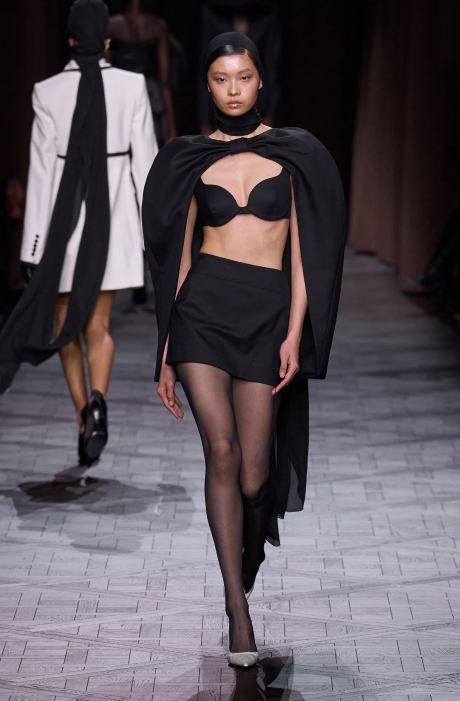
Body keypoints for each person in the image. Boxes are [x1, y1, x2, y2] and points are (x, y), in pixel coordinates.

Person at [143, 33, 346, 667]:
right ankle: (238, 608)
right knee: (223, 452)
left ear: (261, 80)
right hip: (201, 312)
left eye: (244, 77)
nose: (233, 89)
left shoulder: (295, 153)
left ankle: (248, 551)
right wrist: (166, 349)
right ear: (207, 86)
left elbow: (308, 254)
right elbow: (177, 260)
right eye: (221, 78)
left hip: (265, 315)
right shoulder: (188, 159)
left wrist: (294, 332)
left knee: (256, 476)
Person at [0, 0, 157, 466]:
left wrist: (32, 249)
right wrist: (151, 235)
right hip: (114, 222)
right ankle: (100, 403)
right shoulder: (132, 86)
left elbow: (41, 175)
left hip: (64, 228)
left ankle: (83, 414)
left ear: (70, 39)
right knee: (99, 325)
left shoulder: (47, 91)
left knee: (66, 326)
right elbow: (146, 167)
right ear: (107, 40)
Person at [199, 0, 281, 134]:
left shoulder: (266, 17)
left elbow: (272, 67)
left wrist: (270, 114)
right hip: (220, 107)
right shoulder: (212, 15)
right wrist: (204, 120)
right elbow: (205, 67)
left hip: (258, 104)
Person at [109, 0, 178, 146]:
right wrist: (171, 129)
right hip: (148, 99)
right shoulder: (157, 26)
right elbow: (164, 81)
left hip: (121, 99)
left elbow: (105, 74)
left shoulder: (111, 26)